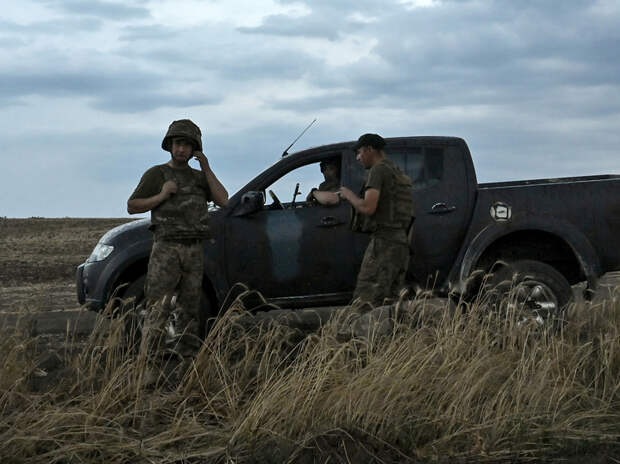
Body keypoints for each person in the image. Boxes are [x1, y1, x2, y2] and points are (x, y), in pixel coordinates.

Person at [127, 119, 228, 373]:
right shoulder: (157, 174)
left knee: (190, 310)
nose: (181, 149)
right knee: (158, 310)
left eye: (186, 144)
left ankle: (187, 367)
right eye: (177, 143)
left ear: (194, 148)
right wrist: (161, 195)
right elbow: (133, 205)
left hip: (193, 249)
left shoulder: (198, 177)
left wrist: (206, 167)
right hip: (166, 248)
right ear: (170, 146)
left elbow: (223, 199)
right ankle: (148, 369)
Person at [339, 133, 414, 306]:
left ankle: (361, 334)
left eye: (359, 153)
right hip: (401, 244)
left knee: (365, 301)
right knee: (390, 303)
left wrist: (348, 195)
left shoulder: (378, 170)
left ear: (370, 149)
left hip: (384, 243)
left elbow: (368, 207)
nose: (358, 158)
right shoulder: (397, 172)